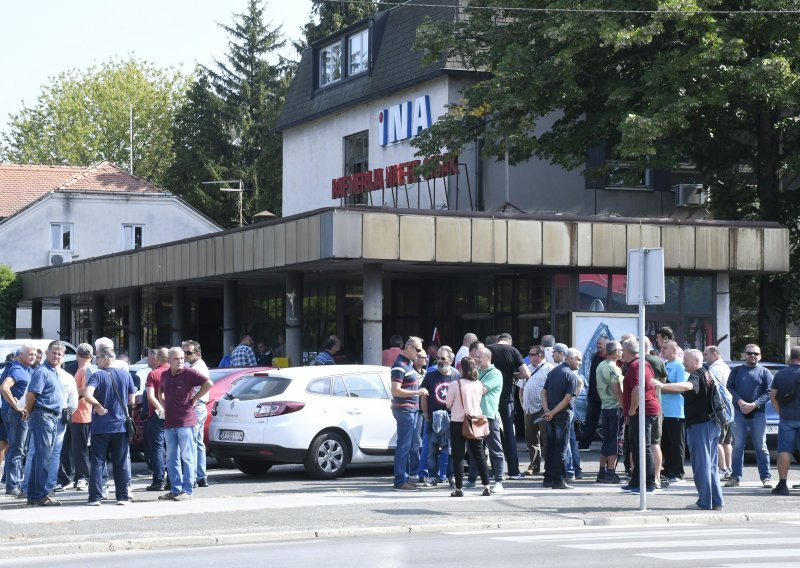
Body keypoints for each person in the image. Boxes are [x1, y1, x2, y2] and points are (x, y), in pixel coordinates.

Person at [654, 349, 724, 510]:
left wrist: (663, 385)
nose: (683, 361)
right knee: (711, 465)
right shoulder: (707, 373)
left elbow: (688, 386)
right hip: (712, 424)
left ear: (696, 361)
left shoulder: (697, 375)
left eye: (686, 359)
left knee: (701, 465)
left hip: (701, 425)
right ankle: (717, 501)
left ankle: (705, 502)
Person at [83, 348, 136, 506]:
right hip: (120, 426)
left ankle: (95, 497)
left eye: (97, 358)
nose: (95, 361)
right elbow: (131, 400)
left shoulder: (97, 375)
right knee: (120, 462)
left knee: (98, 462)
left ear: (105, 359)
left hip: (101, 425)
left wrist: (98, 405)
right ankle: (122, 496)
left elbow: (87, 395)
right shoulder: (126, 375)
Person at [158, 347, 212, 501]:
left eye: (182, 358)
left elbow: (208, 383)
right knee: (171, 458)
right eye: (176, 359)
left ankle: (187, 490)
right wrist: (163, 404)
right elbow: (160, 391)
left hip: (186, 422)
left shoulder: (190, 373)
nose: (180, 361)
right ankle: (175, 489)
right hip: (169, 422)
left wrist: (195, 399)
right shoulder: (164, 374)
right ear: (169, 361)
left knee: (187, 457)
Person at [23, 341, 66, 506]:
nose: (56, 356)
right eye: (54, 353)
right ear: (47, 353)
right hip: (43, 416)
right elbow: (31, 394)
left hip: (50, 417)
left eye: (59, 354)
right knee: (44, 459)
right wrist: (28, 411)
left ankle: (34, 496)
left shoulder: (53, 371)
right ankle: (40, 495)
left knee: (40, 458)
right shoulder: (42, 371)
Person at [726, 343, 773, 488]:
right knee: (738, 446)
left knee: (761, 446)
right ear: (744, 355)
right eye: (750, 353)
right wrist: (740, 402)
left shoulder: (765, 372)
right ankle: (735, 478)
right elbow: (730, 387)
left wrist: (754, 405)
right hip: (739, 412)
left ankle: (766, 478)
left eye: (756, 353)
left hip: (758, 413)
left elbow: (769, 392)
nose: (753, 355)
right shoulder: (736, 370)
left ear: (760, 356)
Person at [445, 356, 492, 497]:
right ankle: (486, 486)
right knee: (479, 455)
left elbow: (448, 403)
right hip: (475, 421)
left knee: (458, 455)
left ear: (461, 369)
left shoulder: (455, 384)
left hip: (458, 422)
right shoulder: (479, 384)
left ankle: (459, 489)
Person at [486, 332, 530, 480]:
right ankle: (513, 471)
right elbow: (526, 374)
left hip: (490, 397)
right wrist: (513, 375)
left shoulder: (488, 349)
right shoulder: (513, 351)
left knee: (491, 433)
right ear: (509, 341)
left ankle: (494, 470)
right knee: (509, 434)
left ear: (498, 340)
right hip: (506, 398)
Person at [620, 338, 660, 494]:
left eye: (623, 350)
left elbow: (638, 388)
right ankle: (636, 481)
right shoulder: (639, 364)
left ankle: (649, 484)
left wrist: (631, 409)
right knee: (636, 447)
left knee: (643, 446)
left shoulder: (637, 365)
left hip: (643, 410)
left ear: (628, 351)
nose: (622, 353)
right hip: (642, 410)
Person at [390, 337, 428, 491]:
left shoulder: (406, 364)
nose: (419, 354)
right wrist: (418, 392)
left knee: (408, 445)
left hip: (410, 409)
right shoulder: (400, 365)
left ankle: (403, 478)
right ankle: (400, 481)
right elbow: (395, 390)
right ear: (410, 347)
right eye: (418, 350)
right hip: (405, 409)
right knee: (404, 446)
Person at [541, 347, 582, 490]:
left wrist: (547, 410)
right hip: (562, 415)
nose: (580, 362)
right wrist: (551, 412)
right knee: (561, 449)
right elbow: (567, 399)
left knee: (551, 447)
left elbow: (543, 393)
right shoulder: (570, 375)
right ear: (569, 359)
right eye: (578, 359)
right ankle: (558, 480)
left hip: (551, 415)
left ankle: (548, 478)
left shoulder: (553, 371)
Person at [1, 344, 36, 498]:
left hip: (22, 414)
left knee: (18, 449)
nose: (33, 357)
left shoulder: (26, 369)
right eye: (30, 354)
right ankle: (13, 485)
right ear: (20, 355)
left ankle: (13, 482)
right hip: (18, 415)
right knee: (17, 449)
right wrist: (15, 406)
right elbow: (4, 387)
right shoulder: (17, 369)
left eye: (34, 354)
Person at [420, 346, 458, 485]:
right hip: (433, 418)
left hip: (451, 418)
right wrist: (425, 414)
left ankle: (451, 476)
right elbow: (424, 395)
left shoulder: (456, 375)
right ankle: (433, 476)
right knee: (431, 449)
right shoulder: (430, 375)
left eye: (443, 358)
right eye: (438, 358)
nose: (440, 361)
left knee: (451, 449)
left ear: (451, 360)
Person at [472, 346, 505, 493]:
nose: (476, 359)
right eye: (475, 356)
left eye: (479, 356)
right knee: (476, 450)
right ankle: (472, 479)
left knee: (495, 449)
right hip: (477, 416)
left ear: (488, 358)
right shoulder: (477, 372)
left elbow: (481, 390)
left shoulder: (495, 373)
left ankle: (499, 481)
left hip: (489, 416)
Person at [769, 346, 800, 496]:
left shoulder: (781, 374)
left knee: (784, 450)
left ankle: (782, 485)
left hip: (787, 417)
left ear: (790, 356)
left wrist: (780, 412)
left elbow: (773, 396)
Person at [521, 345, 553, 476]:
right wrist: (523, 404)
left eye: (532, 354)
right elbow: (521, 388)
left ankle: (549, 467)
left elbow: (552, 389)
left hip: (542, 409)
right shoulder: (527, 369)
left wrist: (548, 408)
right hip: (528, 409)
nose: (529, 356)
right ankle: (534, 466)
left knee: (546, 439)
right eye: (529, 354)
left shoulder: (549, 369)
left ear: (540, 355)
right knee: (531, 439)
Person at [595, 340, 624, 484]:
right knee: (615, 441)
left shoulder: (601, 365)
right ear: (616, 351)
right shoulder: (614, 368)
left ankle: (602, 471)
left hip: (605, 406)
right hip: (615, 407)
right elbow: (616, 389)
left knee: (606, 440)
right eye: (621, 350)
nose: (622, 352)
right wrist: (624, 406)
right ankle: (611, 472)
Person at [182, 340, 210, 488]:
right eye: (183, 351)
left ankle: (193, 477)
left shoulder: (198, 368)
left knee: (192, 442)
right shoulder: (191, 365)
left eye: (188, 353)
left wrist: (194, 398)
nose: (185, 355)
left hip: (197, 406)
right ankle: (201, 476)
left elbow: (207, 385)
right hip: (199, 406)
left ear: (197, 354)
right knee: (198, 443)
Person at [661, 340, 688, 483]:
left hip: (676, 410)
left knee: (676, 443)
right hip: (664, 411)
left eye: (665, 348)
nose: (662, 350)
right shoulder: (665, 365)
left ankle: (678, 472)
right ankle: (668, 469)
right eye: (662, 348)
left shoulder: (679, 365)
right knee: (665, 442)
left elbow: (682, 387)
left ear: (674, 350)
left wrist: (661, 387)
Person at [704, 345, 732, 479]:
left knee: (718, 441)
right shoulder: (725, 366)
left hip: (720, 408)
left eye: (706, 354)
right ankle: (729, 468)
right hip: (729, 408)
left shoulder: (714, 369)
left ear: (714, 354)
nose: (704, 357)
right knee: (727, 441)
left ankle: (723, 469)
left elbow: (712, 391)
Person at [145, 348, 170, 491]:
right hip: (173, 413)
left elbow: (150, 396)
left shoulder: (153, 374)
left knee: (158, 448)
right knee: (172, 447)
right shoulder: (175, 372)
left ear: (158, 358)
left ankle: (158, 480)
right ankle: (172, 480)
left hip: (156, 413)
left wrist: (160, 409)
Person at [70, 343, 94, 491]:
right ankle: (83, 477)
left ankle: (82, 478)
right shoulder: (92, 369)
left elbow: (84, 390)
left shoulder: (82, 371)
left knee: (80, 449)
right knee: (84, 448)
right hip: (89, 413)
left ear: (77, 355)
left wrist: (71, 390)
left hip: (80, 414)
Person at [579, 336, 607, 449]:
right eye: (597, 343)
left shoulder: (609, 358)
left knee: (606, 422)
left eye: (600, 343)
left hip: (605, 396)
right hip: (594, 395)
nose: (598, 345)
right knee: (590, 420)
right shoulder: (595, 356)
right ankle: (585, 444)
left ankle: (606, 444)